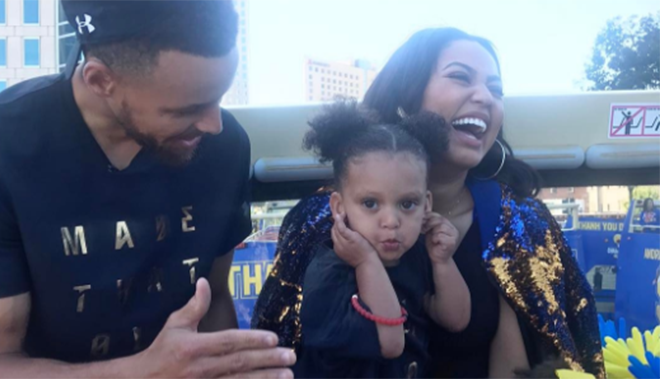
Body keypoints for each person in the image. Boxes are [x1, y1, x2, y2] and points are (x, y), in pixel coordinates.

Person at [253, 27, 604, 379]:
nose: (484, 96)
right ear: (408, 98)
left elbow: (522, 360)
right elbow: (277, 350)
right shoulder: (318, 222)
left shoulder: (524, 224)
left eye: (495, 89)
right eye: (460, 77)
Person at [0, 0, 295, 378]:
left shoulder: (224, 147)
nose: (213, 125)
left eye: (219, 97)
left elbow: (214, 296)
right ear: (101, 81)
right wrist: (144, 372)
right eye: (187, 109)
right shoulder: (13, 146)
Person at [293, 102, 469, 378]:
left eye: (407, 203)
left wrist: (442, 261)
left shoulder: (415, 255)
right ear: (339, 207)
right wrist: (366, 260)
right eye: (370, 203)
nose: (391, 221)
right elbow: (391, 342)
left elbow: (456, 319)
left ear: (426, 205)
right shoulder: (328, 274)